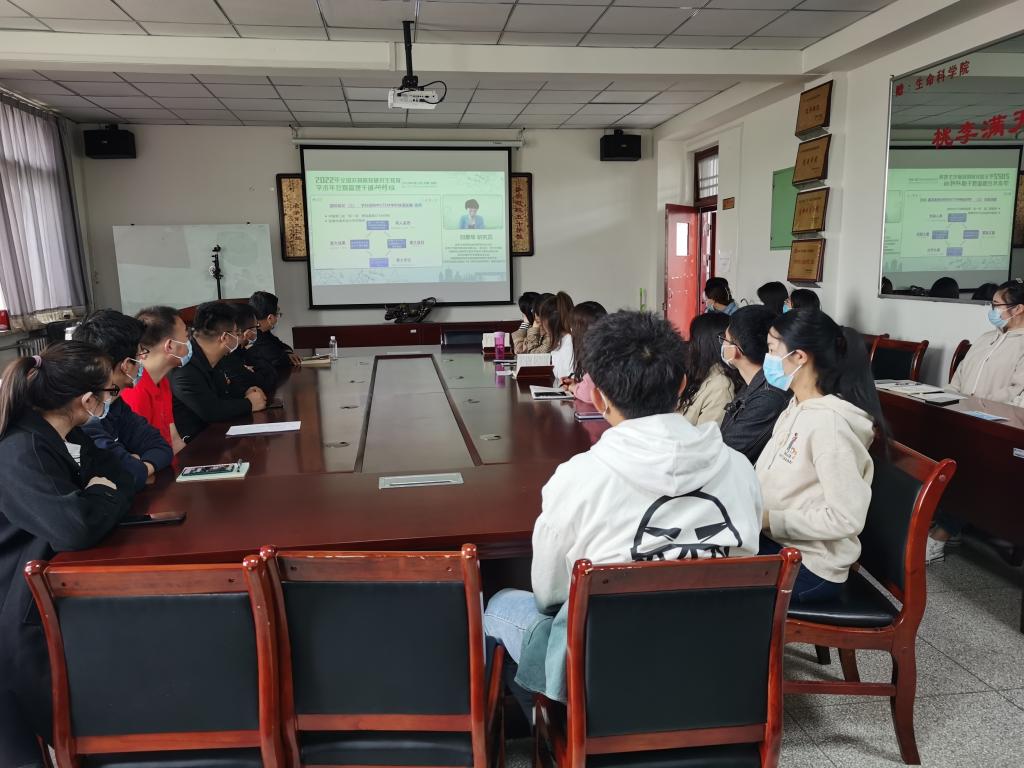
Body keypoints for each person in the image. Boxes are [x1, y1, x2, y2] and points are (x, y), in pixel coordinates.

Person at [483, 311, 762, 702]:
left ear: (598, 396)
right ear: (682, 383)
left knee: (498, 605)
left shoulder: (577, 478)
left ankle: (540, 719)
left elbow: (549, 595)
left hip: (607, 679)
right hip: (718, 667)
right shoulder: (739, 467)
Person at [0, 343, 135, 765]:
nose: (113, 399)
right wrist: (99, 495)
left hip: (43, 589)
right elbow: (74, 528)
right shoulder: (22, 448)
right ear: (87, 400)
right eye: (110, 392)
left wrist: (99, 495)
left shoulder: (63, 435)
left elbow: (121, 475)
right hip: (14, 607)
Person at [756, 309, 882, 604]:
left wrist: (769, 519)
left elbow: (845, 518)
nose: (767, 359)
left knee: (708, 580)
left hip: (811, 566)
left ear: (799, 356)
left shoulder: (830, 425)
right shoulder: (797, 406)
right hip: (781, 543)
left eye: (772, 350)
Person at [931, 279, 1024, 562]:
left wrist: (975, 408)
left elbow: (1016, 393)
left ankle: (942, 533)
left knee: (969, 465)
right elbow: (958, 379)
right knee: (931, 451)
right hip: (962, 417)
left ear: (1018, 308)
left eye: (997, 305)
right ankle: (938, 520)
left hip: (997, 426)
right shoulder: (986, 338)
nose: (992, 311)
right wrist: (944, 402)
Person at [71, 310, 173, 490]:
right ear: (126, 365)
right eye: (141, 354)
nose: (143, 360)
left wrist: (139, 468)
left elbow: (161, 447)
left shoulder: (114, 402)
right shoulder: (82, 413)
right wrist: (137, 467)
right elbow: (125, 472)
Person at [169, 301, 267, 442]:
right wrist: (249, 403)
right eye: (236, 333)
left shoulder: (214, 358)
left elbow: (223, 394)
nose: (239, 338)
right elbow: (211, 411)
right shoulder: (185, 368)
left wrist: (245, 393)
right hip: (197, 445)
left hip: (218, 436)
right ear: (225, 338)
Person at [719, 306, 791, 463]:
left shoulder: (768, 398)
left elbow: (726, 452)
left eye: (724, 339)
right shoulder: (753, 383)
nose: (722, 344)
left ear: (735, 350)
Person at [121, 306, 188, 454]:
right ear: (170, 346)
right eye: (186, 336)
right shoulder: (134, 390)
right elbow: (139, 454)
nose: (189, 342)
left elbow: (174, 439)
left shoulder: (162, 381)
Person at [678, 313, 741, 426]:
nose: (689, 345)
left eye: (693, 339)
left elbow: (707, 435)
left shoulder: (721, 387)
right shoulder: (701, 374)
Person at [220, 304, 277, 398]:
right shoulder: (227, 355)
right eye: (256, 326)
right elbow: (266, 382)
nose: (257, 330)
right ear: (248, 333)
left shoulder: (240, 350)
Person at [562, 301, 607, 404]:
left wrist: (573, 387)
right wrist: (579, 384)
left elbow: (589, 394)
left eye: (572, 327)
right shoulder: (606, 347)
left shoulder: (597, 355)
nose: (571, 331)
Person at [249, 291, 301, 370]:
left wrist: (288, 352)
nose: (278, 318)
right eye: (278, 314)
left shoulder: (264, 332)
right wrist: (287, 356)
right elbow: (279, 360)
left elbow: (283, 346)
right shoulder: (255, 337)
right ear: (270, 318)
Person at [537, 291, 575, 380]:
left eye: (542, 320)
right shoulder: (561, 340)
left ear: (550, 321)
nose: (541, 324)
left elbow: (568, 379)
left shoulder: (569, 342)